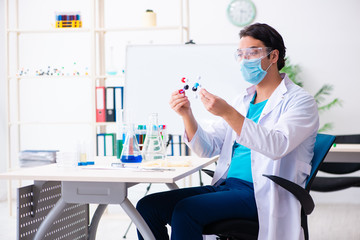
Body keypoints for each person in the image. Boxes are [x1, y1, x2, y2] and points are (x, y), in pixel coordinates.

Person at [136, 23, 319, 240]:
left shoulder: (300, 101)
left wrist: (227, 113)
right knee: (148, 207)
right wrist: (187, 115)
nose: (244, 60)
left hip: (261, 193)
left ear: (273, 56)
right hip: (228, 187)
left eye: (252, 52)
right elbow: (207, 148)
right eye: (240, 54)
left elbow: (276, 145)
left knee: (186, 210)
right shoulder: (242, 101)